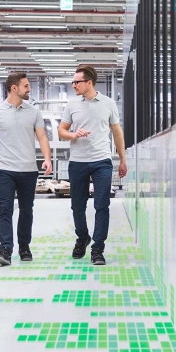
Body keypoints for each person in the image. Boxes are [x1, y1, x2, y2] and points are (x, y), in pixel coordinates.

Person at [0, 72, 52, 266]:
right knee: (5, 209)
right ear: (14, 88)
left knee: (26, 210)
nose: (29, 89)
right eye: (26, 86)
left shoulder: (34, 112)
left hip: (28, 170)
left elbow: (42, 137)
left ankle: (24, 247)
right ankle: (5, 250)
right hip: (5, 170)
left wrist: (47, 159)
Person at [58, 65, 127, 265]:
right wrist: (73, 134)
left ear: (89, 82)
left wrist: (122, 159)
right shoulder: (72, 105)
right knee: (77, 206)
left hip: (102, 161)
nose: (73, 85)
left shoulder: (108, 103)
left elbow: (117, 132)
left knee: (102, 205)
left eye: (77, 82)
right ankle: (82, 238)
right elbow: (62, 130)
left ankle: (98, 248)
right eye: (73, 82)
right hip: (77, 162)